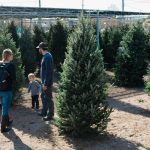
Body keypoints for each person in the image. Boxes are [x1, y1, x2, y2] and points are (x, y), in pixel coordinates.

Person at [36, 42, 54, 121]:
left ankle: (50, 115)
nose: (38, 50)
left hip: (46, 83)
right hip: (43, 82)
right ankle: (44, 112)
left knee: (48, 98)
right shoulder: (45, 56)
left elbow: (49, 72)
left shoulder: (47, 57)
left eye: (39, 48)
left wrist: (46, 84)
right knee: (43, 97)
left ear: (41, 48)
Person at [0, 49, 16, 133]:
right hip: (7, 90)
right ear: (8, 55)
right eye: (12, 54)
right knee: (5, 108)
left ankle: (7, 122)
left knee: (2, 107)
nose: (12, 56)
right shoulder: (11, 65)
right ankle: (3, 128)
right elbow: (14, 78)